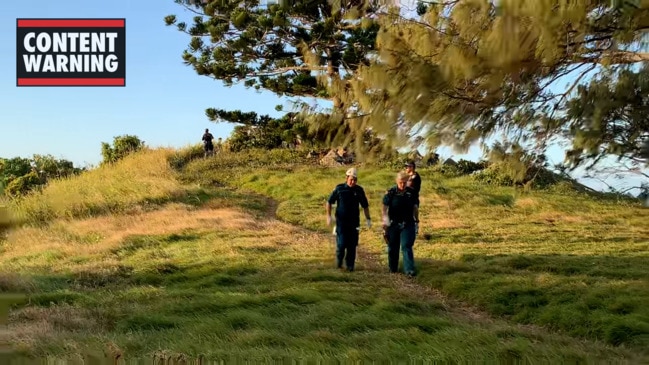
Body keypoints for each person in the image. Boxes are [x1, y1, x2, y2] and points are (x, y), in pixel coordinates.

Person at [325, 167, 371, 272]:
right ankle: (339, 263)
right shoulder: (340, 189)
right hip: (341, 222)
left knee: (352, 245)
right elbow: (329, 202)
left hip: (354, 222)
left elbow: (365, 206)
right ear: (347, 178)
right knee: (341, 244)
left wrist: (368, 219)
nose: (353, 182)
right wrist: (328, 216)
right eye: (351, 179)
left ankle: (350, 266)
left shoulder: (359, 190)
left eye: (355, 180)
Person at [382, 171, 419, 277]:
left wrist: (417, 221)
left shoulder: (412, 193)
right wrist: (385, 222)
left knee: (406, 245)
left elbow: (415, 208)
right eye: (400, 182)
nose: (402, 185)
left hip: (408, 223)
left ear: (407, 181)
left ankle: (409, 270)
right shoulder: (391, 192)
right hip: (393, 224)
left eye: (404, 182)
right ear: (396, 181)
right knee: (393, 246)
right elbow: (384, 208)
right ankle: (392, 268)